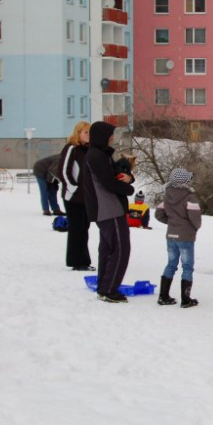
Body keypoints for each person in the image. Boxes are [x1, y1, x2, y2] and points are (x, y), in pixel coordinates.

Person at [81, 121, 134, 303]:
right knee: (120, 249)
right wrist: (129, 190)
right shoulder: (96, 156)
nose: (113, 138)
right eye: (111, 135)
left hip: (107, 210)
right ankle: (109, 290)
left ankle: (105, 287)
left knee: (107, 249)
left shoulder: (103, 154)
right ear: (103, 136)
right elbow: (108, 183)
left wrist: (129, 177)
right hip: (109, 209)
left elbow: (118, 173)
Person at [154, 167, 202, 308]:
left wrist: (172, 223)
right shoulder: (190, 198)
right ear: (185, 181)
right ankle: (186, 300)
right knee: (187, 267)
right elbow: (196, 220)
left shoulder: (167, 196)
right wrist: (193, 228)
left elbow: (158, 214)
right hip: (185, 237)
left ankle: (163, 296)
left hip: (171, 236)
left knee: (171, 264)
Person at [58, 121, 93, 271]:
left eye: (89, 132)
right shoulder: (71, 148)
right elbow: (63, 171)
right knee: (76, 228)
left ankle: (84, 260)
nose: (88, 135)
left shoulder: (88, 150)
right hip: (73, 197)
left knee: (85, 228)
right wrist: (73, 188)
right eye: (85, 132)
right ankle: (75, 261)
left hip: (86, 197)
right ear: (78, 133)